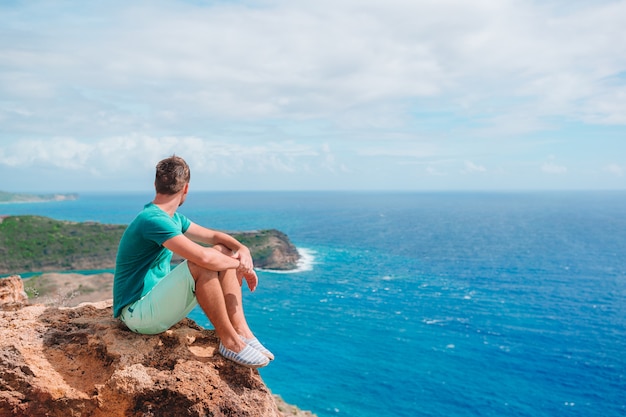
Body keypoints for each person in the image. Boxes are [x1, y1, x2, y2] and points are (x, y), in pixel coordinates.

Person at [113, 155, 273, 368]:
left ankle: (242, 332)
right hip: (136, 315)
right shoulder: (152, 220)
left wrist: (242, 249)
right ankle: (230, 342)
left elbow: (215, 238)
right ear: (186, 189)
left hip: (153, 307)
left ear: (155, 184)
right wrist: (241, 265)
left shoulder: (174, 219)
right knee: (201, 263)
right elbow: (203, 258)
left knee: (223, 250)